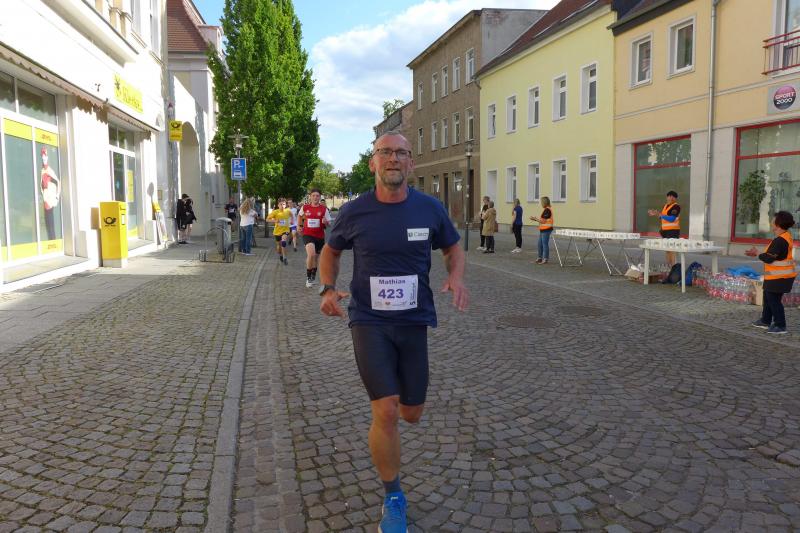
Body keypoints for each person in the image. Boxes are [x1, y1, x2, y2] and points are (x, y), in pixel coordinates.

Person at [318, 131, 467, 533]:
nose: (393, 159)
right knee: (385, 410)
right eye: (385, 152)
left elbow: (453, 248)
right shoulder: (354, 212)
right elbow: (330, 251)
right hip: (369, 321)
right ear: (373, 162)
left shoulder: (429, 209)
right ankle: (394, 496)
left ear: (411, 163)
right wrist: (328, 288)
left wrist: (455, 276)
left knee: (411, 413)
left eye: (401, 153)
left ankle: (402, 409)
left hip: (413, 321)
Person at [747, 211, 796, 335]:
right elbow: (772, 256)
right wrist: (759, 254)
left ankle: (780, 325)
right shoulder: (784, 237)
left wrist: (757, 254)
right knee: (768, 297)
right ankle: (765, 320)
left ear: (778, 224)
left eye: (773, 220)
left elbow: (769, 258)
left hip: (779, 277)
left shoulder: (780, 241)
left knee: (774, 300)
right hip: (776, 277)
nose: (771, 222)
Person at [297, 188, 331, 288]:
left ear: (320, 197)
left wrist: (326, 222)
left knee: (315, 258)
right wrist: (299, 226)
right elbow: (299, 216)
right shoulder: (305, 207)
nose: (315, 197)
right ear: (310, 197)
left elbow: (329, 224)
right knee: (311, 254)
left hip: (319, 236)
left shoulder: (324, 209)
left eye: (317, 196)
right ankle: (308, 278)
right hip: (307, 234)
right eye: (313, 196)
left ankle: (313, 276)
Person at [648, 190, 681, 266]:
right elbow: (663, 217)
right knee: (667, 250)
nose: (670, 198)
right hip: (665, 231)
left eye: (672, 197)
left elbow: (672, 219)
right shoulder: (665, 206)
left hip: (673, 231)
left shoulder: (676, 207)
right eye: (669, 196)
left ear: (675, 198)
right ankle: (669, 267)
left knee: (672, 250)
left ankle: (673, 267)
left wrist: (660, 215)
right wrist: (656, 214)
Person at [40, 148, 60, 241]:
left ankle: (53, 240)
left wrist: (56, 196)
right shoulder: (42, 171)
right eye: (42, 157)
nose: (43, 159)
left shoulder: (49, 171)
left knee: (50, 222)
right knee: (47, 222)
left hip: (50, 199)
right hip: (46, 198)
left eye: (45, 157)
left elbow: (57, 182)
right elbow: (42, 184)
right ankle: (51, 240)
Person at [267, 198, 291, 265]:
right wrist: (275, 221)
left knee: (283, 241)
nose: (282, 205)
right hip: (277, 231)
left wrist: (292, 220)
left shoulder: (288, 211)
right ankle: (281, 255)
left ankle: (285, 257)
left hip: (285, 230)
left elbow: (292, 215)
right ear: (278, 205)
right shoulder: (275, 212)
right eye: (281, 204)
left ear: (285, 205)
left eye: (284, 204)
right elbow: (267, 219)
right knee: (279, 248)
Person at [530, 196, 553, 264]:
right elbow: (543, 220)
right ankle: (540, 258)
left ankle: (545, 259)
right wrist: (536, 219)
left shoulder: (547, 210)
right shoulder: (546, 209)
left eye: (541, 202)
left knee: (544, 244)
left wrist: (535, 219)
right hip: (543, 229)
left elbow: (543, 221)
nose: (541, 203)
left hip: (546, 229)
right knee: (540, 244)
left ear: (544, 202)